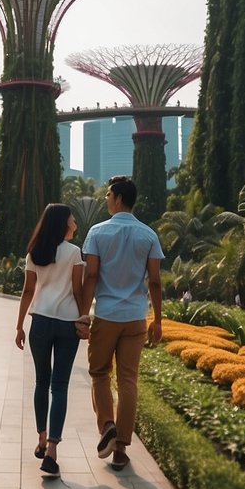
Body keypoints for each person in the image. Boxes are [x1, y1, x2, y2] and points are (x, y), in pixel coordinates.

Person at [77, 175, 164, 472]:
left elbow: (90, 276)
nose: (105, 199)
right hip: (136, 318)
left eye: (107, 195)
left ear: (116, 197)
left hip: (106, 315)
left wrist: (83, 314)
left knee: (100, 373)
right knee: (128, 380)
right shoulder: (148, 235)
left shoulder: (98, 232)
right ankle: (121, 450)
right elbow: (154, 281)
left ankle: (107, 426)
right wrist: (158, 321)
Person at [15, 204, 86, 478]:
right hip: (67, 323)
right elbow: (78, 290)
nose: (74, 221)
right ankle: (53, 450)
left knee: (41, 382)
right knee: (60, 386)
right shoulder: (74, 253)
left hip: (40, 321)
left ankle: (41, 438)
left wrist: (19, 325)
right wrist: (83, 318)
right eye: (71, 218)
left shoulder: (35, 252)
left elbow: (27, 291)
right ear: (62, 223)